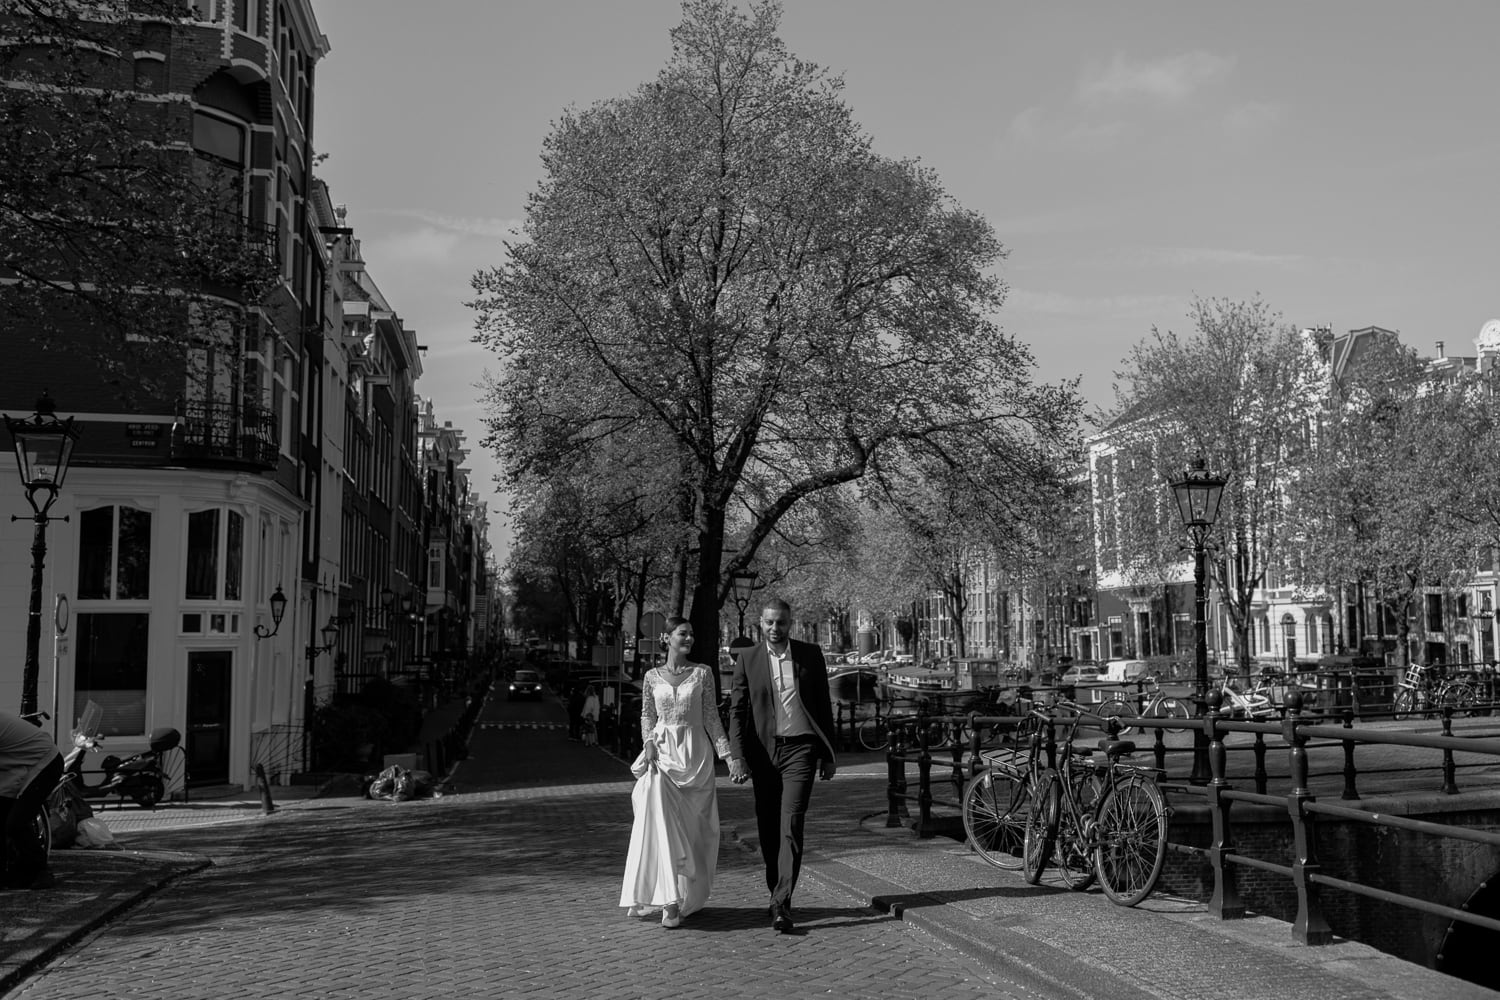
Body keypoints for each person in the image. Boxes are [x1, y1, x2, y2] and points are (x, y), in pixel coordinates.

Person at [727, 597, 837, 934]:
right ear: (761, 623)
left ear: (792, 624)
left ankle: (783, 903)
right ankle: (776, 891)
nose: (776, 629)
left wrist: (829, 754)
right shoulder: (748, 658)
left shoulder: (809, 655)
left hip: (800, 750)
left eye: (782, 623)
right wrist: (737, 755)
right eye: (770, 623)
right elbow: (738, 711)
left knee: (791, 824)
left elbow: (822, 704)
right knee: (768, 829)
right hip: (763, 754)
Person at [619, 616, 732, 929]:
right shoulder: (652, 677)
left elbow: (711, 718)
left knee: (697, 834)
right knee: (664, 829)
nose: (690, 639)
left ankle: (686, 897)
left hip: (696, 759)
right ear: (666, 638)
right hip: (663, 758)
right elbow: (646, 715)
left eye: (692, 634)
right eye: (683, 634)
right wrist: (648, 743)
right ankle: (669, 902)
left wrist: (729, 756)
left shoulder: (703, 674)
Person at [0, 711, 65, 890]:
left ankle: (41, 872)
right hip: (17, 766)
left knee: (15, 823)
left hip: (45, 762)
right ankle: (9, 874)